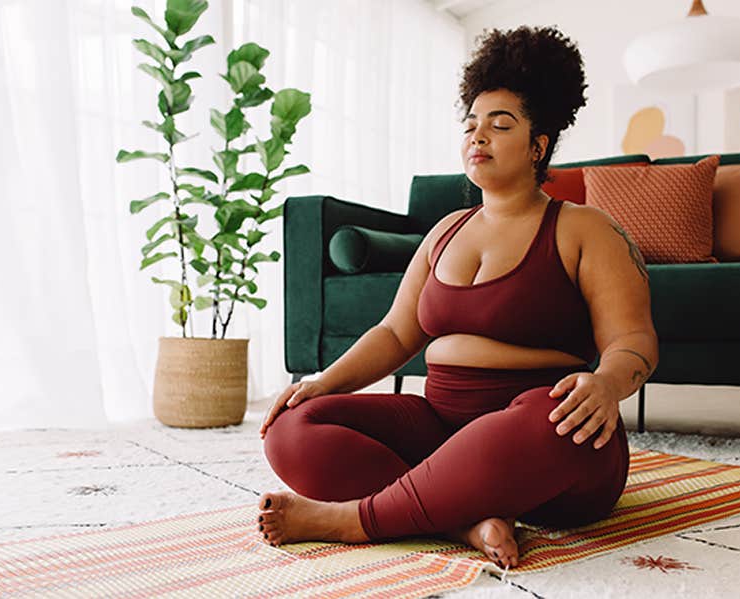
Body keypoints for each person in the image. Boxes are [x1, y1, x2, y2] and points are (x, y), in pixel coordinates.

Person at [255, 25, 657, 570]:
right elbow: (396, 333)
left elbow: (633, 340)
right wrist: (321, 383)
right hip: (441, 429)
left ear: (539, 145)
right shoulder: (444, 231)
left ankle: (350, 519)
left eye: (500, 125)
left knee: (553, 415)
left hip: (546, 439)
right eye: (470, 126)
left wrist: (606, 384)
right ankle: (463, 518)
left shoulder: (585, 229)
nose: (478, 137)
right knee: (291, 427)